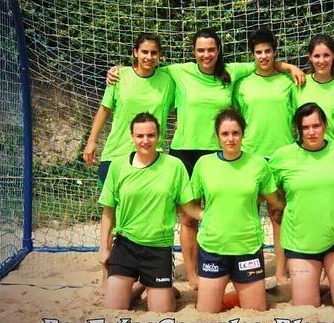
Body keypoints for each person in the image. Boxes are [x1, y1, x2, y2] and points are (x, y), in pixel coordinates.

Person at [106, 28, 304, 290]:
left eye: (211, 49)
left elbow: (263, 61)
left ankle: (230, 264)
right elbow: (146, 65)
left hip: (216, 153)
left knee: (222, 210)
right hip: (185, 152)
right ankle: (192, 274)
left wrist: (289, 67)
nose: (206, 54)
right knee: (188, 217)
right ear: (193, 52)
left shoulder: (232, 73)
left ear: (218, 50)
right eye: (201, 49)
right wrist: (119, 69)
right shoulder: (178, 72)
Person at [97, 112, 202, 311]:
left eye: (151, 135)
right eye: (140, 136)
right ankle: (142, 285)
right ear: (132, 136)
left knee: (162, 312)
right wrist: (104, 248)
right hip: (125, 245)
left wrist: (210, 216)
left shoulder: (174, 166)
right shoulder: (118, 166)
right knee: (115, 308)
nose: (145, 141)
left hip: (158, 248)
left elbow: (188, 207)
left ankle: (158, 286)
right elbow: (108, 211)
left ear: (159, 136)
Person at [187, 108, 284, 313]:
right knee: (206, 313)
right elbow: (188, 204)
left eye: (235, 133)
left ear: (243, 134)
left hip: (247, 248)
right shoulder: (204, 164)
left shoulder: (258, 164)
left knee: (256, 311)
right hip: (213, 248)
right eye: (225, 134)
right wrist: (204, 215)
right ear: (217, 136)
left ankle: (244, 293)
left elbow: (276, 201)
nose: (230, 139)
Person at [268, 102, 334, 310]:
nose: (311, 132)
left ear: (325, 126)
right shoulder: (282, 157)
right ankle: (320, 283)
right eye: (305, 128)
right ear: (298, 130)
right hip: (300, 240)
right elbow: (267, 189)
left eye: (315, 126)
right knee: (306, 306)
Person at [233, 28, 295, 284]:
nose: (263, 56)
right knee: (248, 215)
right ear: (253, 55)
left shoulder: (288, 82)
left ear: (274, 52)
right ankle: (252, 268)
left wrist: (290, 68)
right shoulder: (242, 84)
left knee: (279, 215)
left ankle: (281, 270)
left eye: (268, 51)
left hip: (281, 157)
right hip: (251, 157)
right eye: (258, 52)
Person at [83, 33, 174, 184]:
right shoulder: (119, 76)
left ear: (160, 55)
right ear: (135, 52)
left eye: (154, 53)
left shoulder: (169, 80)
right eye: (144, 51)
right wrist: (92, 141)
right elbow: (104, 110)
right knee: (112, 206)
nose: (149, 57)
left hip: (151, 157)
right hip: (117, 153)